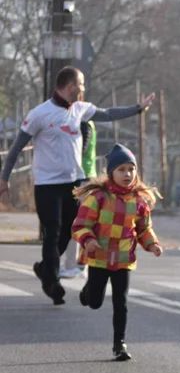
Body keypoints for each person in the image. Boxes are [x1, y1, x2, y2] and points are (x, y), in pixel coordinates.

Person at [0, 67, 154, 304]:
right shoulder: (40, 114)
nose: (84, 89)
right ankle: (52, 282)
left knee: (69, 231)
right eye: (82, 84)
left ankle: (44, 268)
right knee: (52, 231)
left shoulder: (80, 109)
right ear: (71, 86)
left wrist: (138, 108)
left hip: (73, 183)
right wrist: (4, 178)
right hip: (47, 184)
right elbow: (16, 148)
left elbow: (109, 113)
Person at [71, 144, 163, 361]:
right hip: (99, 257)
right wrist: (88, 239)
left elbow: (144, 229)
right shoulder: (98, 197)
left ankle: (119, 344)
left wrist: (152, 244)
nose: (127, 174)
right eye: (121, 169)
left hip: (124, 259)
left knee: (120, 302)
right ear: (110, 172)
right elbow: (80, 225)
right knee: (94, 302)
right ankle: (88, 291)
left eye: (131, 169)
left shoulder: (140, 201)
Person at [60, 95, 99, 280]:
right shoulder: (87, 122)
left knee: (76, 223)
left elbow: (78, 150)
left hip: (83, 179)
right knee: (81, 223)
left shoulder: (83, 123)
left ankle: (74, 265)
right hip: (85, 178)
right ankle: (79, 264)